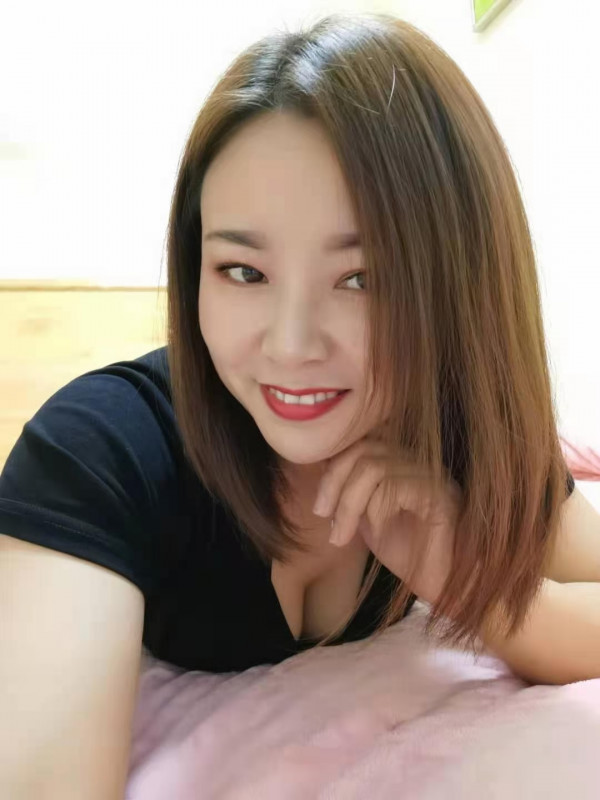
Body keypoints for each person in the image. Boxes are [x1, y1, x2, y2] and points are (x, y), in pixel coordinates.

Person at [0, 11, 578, 799]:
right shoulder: (102, 450)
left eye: (362, 279)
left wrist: (470, 582)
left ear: (458, 283)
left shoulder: (460, 428)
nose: (292, 345)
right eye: (243, 272)